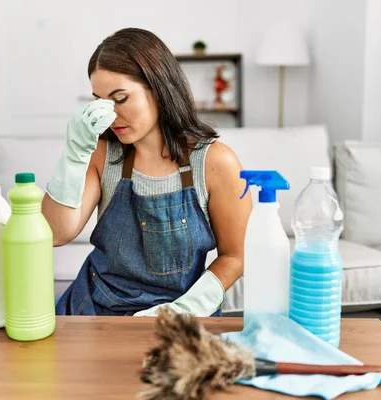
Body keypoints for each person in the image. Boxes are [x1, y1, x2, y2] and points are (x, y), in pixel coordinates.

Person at [43, 27, 252, 317]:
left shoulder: (216, 163)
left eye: (121, 98)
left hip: (180, 319)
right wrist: (73, 154)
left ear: (158, 89)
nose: (110, 114)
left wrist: (185, 310)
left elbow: (236, 256)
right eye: (100, 101)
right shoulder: (101, 155)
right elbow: (55, 234)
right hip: (93, 311)